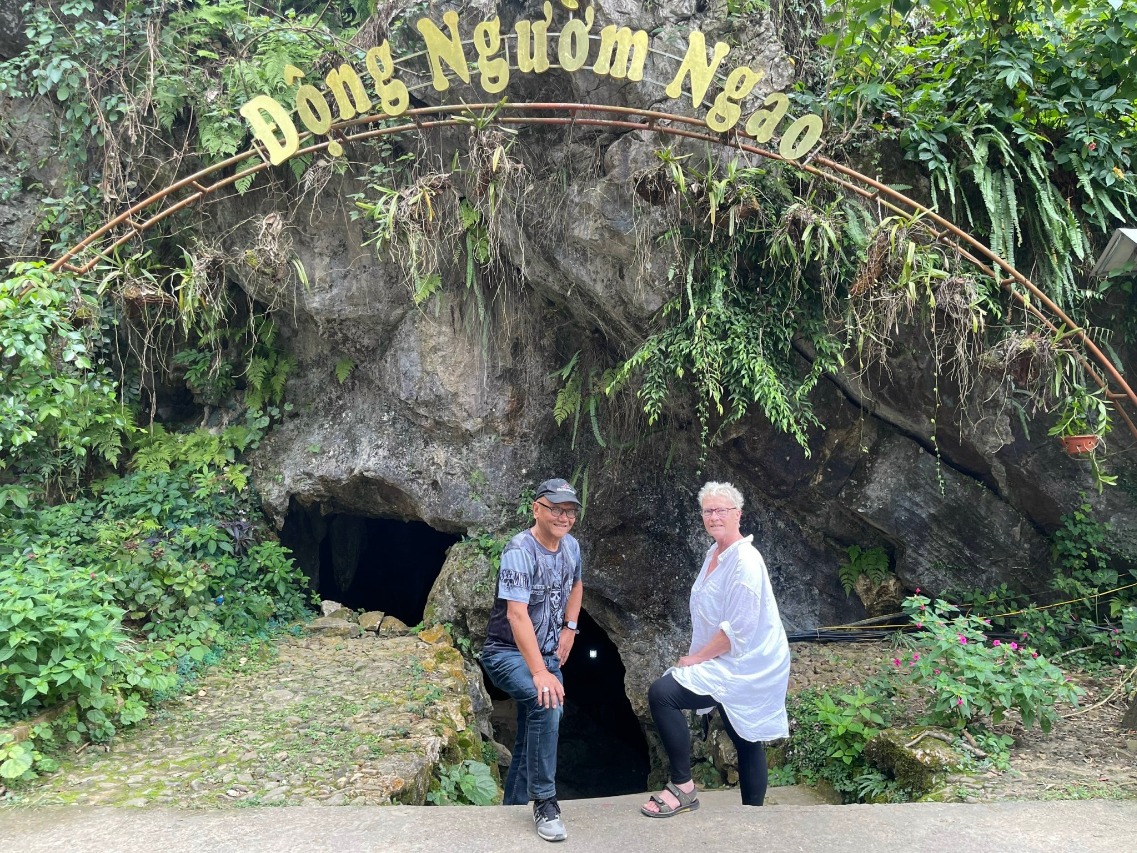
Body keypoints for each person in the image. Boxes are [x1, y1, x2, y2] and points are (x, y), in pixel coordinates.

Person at [641, 480, 789, 817]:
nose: (714, 516)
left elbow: (738, 629)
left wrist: (696, 658)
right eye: (708, 511)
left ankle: (683, 787)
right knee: (744, 737)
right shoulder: (716, 553)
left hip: (748, 662)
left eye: (721, 510)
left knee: (663, 694)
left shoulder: (745, 561)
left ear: (738, 514)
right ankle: (753, 816)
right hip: (727, 657)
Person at [480, 477, 584, 842]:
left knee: (532, 731)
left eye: (570, 511)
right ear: (536, 509)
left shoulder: (571, 547)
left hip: (548, 653)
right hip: (506, 652)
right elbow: (516, 614)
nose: (564, 517)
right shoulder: (519, 550)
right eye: (555, 509)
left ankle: (513, 805)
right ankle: (545, 802)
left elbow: (576, 584)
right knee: (547, 704)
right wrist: (539, 671)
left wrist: (570, 628)